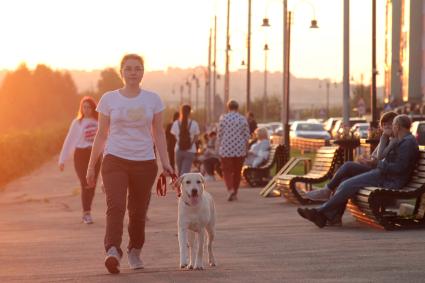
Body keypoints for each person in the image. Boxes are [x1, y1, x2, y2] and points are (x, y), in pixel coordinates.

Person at [86, 54, 173, 274]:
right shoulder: (109, 99)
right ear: (121, 72)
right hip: (114, 159)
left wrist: (166, 163)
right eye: (128, 69)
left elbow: (159, 133)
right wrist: (91, 166)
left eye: (137, 68)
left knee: (137, 211)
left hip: (144, 162)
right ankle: (113, 250)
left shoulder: (153, 99)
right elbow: (101, 134)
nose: (133, 72)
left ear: (143, 72)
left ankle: (135, 249)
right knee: (115, 206)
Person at [297, 114, 419, 228]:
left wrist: (378, 164)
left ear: (397, 126)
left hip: (389, 180)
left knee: (347, 184)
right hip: (384, 175)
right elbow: (389, 162)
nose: (391, 128)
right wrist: (378, 161)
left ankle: (319, 212)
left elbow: (399, 168)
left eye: (393, 125)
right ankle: (327, 216)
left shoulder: (407, 143)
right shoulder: (402, 140)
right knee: (345, 180)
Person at [305, 111, 398, 202]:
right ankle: (334, 215)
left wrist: (381, 141)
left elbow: (380, 159)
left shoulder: (393, 141)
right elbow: (374, 157)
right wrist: (366, 159)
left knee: (348, 165)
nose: (386, 126)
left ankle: (327, 190)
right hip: (373, 169)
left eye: (389, 124)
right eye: (384, 124)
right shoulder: (386, 139)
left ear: (396, 125)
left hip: (378, 174)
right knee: (344, 179)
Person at [58, 96, 102, 224]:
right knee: (85, 182)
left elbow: (105, 139)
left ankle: (87, 211)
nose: (86, 109)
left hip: (94, 156)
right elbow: (69, 141)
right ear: (81, 108)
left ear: (93, 108)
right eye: (84, 107)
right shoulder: (77, 123)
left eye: (89, 107)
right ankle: (86, 213)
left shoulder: (98, 122)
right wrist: (62, 159)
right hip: (81, 155)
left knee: (92, 184)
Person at [218, 100, 250, 201]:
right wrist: (246, 148)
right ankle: (235, 192)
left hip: (226, 149)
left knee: (226, 170)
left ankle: (230, 189)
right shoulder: (242, 119)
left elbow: (219, 134)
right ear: (237, 108)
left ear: (228, 108)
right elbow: (246, 135)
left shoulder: (223, 118)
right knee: (237, 171)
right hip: (239, 149)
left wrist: (219, 147)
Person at [171, 104, 200, 176]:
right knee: (185, 173)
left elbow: (174, 135)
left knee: (179, 172)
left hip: (178, 149)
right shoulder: (194, 123)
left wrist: (179, 142)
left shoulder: (176, 123)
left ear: (181, 112)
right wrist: (191, 143)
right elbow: (196, 136)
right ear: (190, 112)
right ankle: (182, 186)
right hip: (190, 150)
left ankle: (179, 186)